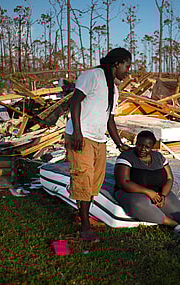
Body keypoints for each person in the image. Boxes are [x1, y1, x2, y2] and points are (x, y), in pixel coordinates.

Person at [65, 47, 132, 242]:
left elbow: (109, 118)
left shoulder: (114, 89)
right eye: (126, 66)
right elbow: (75, 102)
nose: (128, 70)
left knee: (94, 181)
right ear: (117, 63)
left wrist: (119, 144)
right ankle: (85, 226)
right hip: (81, 136)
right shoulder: (92, 76)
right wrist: (77, 131)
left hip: (98, 139)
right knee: (83, 177)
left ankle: (82, 216)